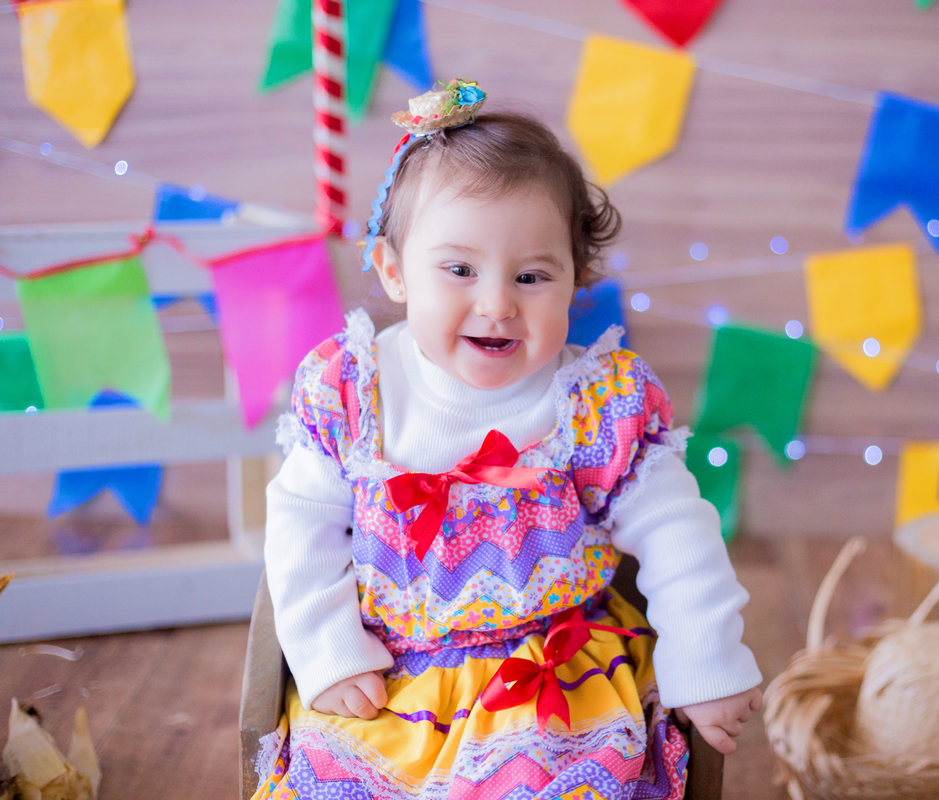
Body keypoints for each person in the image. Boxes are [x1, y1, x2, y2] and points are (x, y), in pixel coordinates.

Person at [254, 81, 762, 800]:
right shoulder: (354, 391)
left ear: (576, 283)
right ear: (394, 271)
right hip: (388, 678)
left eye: (531, 276)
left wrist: (705, 662)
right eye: (459, 270)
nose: (497, 303)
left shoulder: (593, 406)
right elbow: (301, 527)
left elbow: (680, 535)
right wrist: (329, 652)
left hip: (552, 677)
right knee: (342, 781)